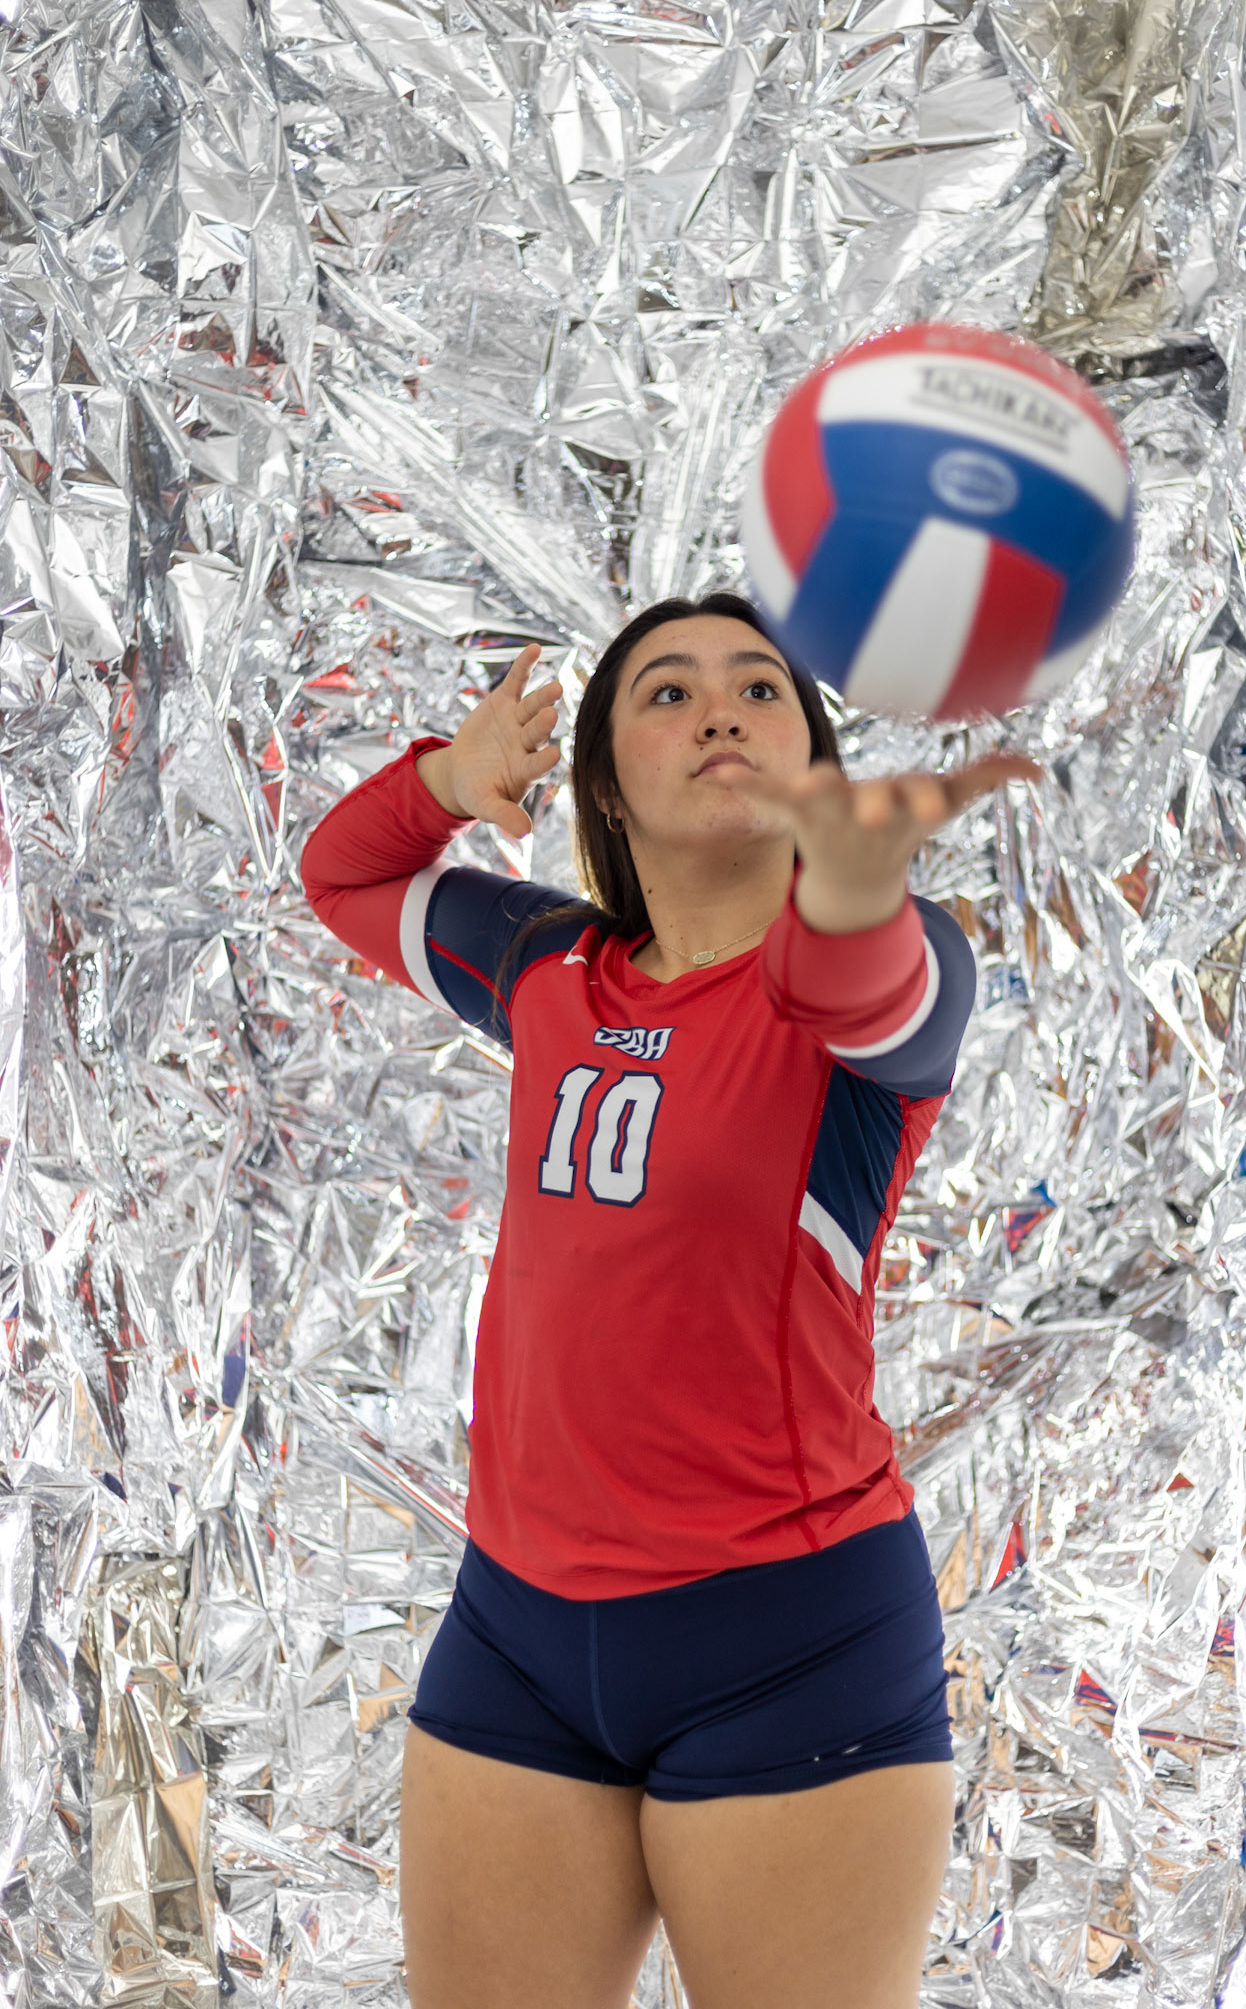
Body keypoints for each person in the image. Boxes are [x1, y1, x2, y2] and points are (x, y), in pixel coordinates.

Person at [300, 591, 1039, 2009]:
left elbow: (876, 989)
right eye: (665, 692)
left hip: (787, 1637)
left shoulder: (873, 966)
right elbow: (340, 881)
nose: (718, 709)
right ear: (606, 791)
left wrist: (853, 887)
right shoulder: (544, 966)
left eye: (761, 690)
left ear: (814, 771)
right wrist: (451, 781)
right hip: (513, 1635)